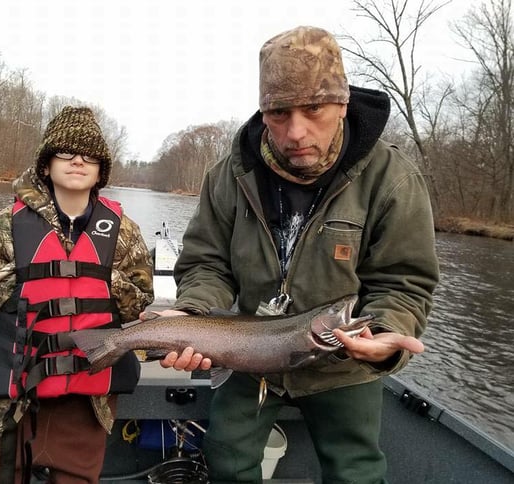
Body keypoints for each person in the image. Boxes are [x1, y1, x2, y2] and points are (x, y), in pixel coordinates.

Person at [156, 26, 439, 483]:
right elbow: (207, 263)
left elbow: (402, 282)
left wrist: (385, 333)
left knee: (357, 474)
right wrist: (195, 315)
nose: (296, 131)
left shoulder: (393, 178)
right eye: (279, 113)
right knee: (225, 460)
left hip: (344, 363)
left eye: (314, 110)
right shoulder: (229, 175)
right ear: (263, 111)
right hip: (246, 351)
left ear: (343, 104)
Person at [0, 106, 154, 483]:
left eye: (89, 155)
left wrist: (102, 281)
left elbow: (139, 301)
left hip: (88, 400)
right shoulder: (4, 226)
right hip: (9, 395)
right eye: (66, 152)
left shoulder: (124, 232)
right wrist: (23, 279)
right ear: (46, 165)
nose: (78, 160)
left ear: (100, 171)